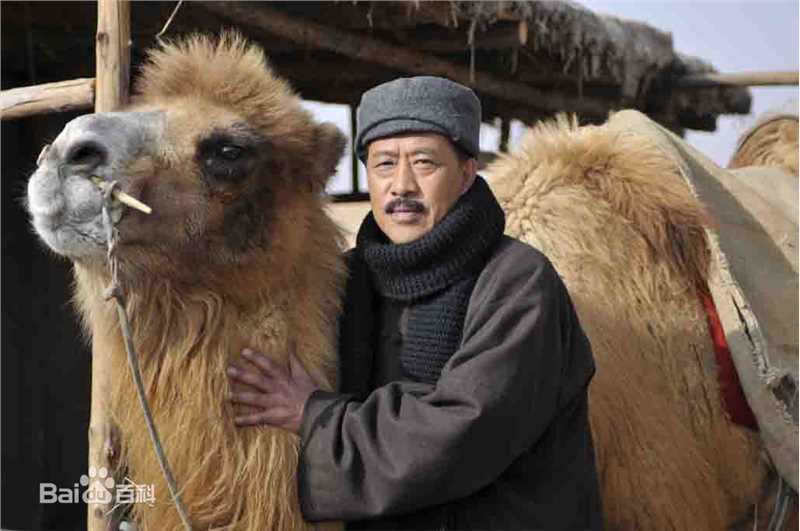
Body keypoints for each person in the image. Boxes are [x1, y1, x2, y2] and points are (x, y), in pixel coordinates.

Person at [226, 76, 603, 530]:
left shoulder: (518, 284)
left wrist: (314, 415)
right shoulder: (344, 280)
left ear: (467, 174)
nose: (401, 186)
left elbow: (463, 435)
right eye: (384, 164)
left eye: (424, 163)